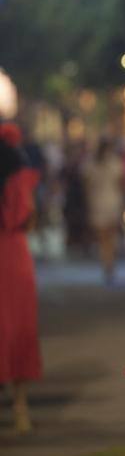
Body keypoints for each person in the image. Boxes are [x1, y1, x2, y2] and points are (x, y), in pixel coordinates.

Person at [0, 123, 42, 434]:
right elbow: (29, 219)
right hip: (13, 254)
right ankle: (20, 408)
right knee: (19, 329)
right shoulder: (20, 179)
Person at [83, 138, 125, 284]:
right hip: (113, 202)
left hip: (97, 203)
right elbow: (122, 183)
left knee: (102, 239)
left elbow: (86, 186)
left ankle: (106, 263)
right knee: (111, 237)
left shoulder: (91, 164)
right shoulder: (115, 163)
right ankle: (110, 263)